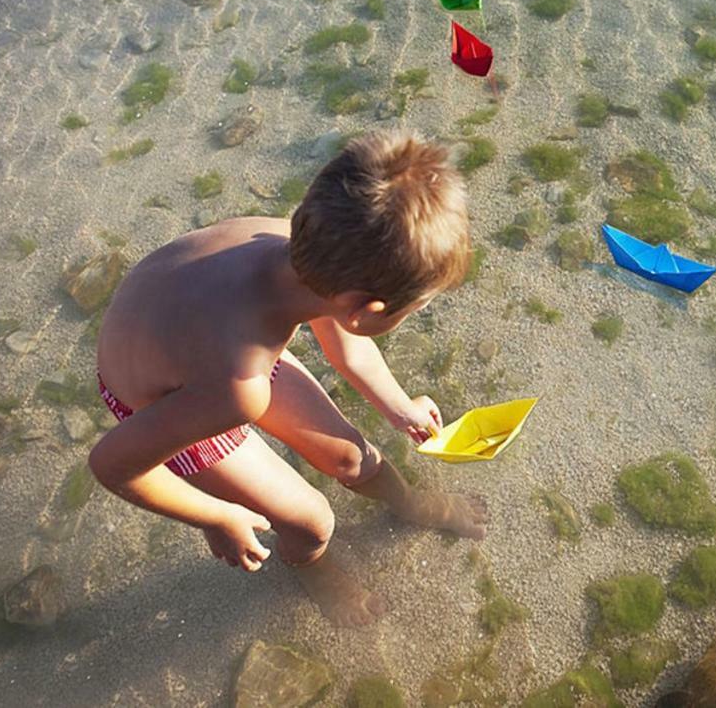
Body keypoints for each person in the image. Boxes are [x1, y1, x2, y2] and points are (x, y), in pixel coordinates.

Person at [89, 131, 485, 626]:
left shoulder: (287, 242)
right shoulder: (239, 390)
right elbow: (111, 465)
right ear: (366, 310)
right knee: (312, 519)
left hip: (203, 350)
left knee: (351, 456)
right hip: (168, 398)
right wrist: (216, 516)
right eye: (419, 307)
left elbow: (344, 338)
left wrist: (397, 404)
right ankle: (309, 563)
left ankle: (410, 504)